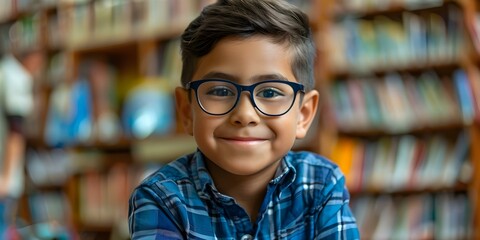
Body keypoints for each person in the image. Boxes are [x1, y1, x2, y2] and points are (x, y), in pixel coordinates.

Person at [129, 0, 360, 239]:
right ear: (187, 110)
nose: (245, 115)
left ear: (303, 115)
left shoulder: (321, 184)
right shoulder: (160, 198)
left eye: (270, 92)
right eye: (220, 91)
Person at [0, 50, 44, 239]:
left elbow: (16, 131)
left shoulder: (9, 74)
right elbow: (16, 131)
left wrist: (6, 178)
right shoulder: (12, 76)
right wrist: (7, 179)